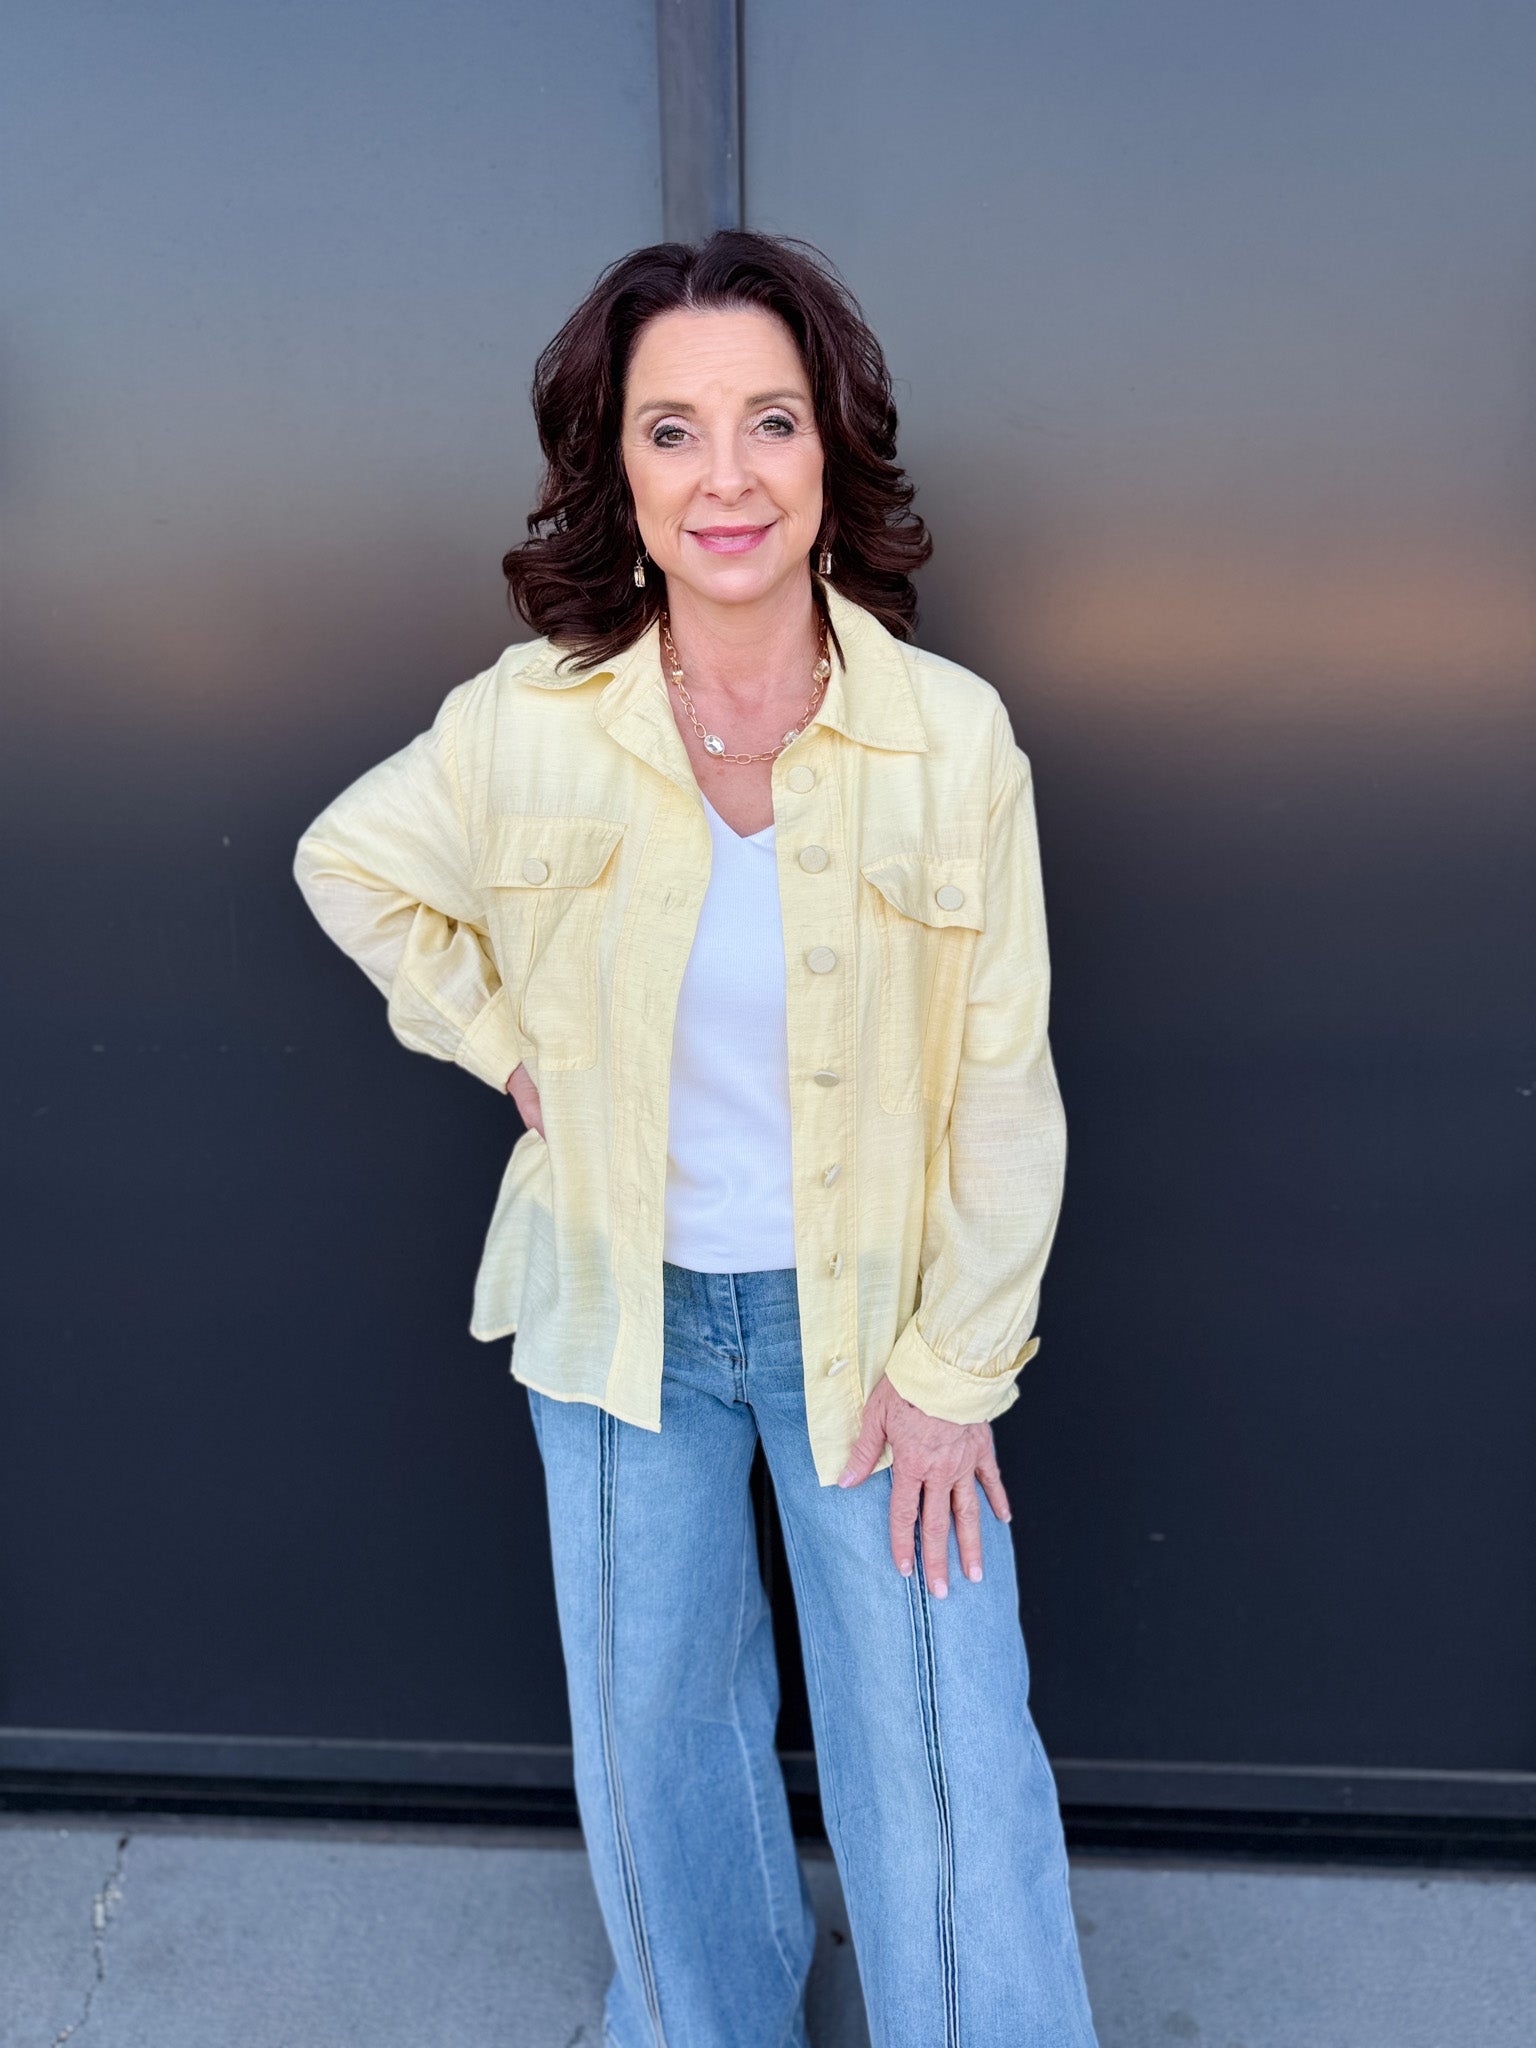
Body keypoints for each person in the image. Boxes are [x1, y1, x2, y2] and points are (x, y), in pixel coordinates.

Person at [293, 229, 1099, 2048]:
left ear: (832, 452)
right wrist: (508, 1048)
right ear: (620, 469)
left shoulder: (949, 739)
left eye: (769, 422)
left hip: (874, 1329)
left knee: (941, 1743)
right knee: (655, 1740)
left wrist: (956, 1372)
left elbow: (1005, 1080)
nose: (725, 476)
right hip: (618, 1319)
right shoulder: (530, 724)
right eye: (673, 430)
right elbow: (348, 863)